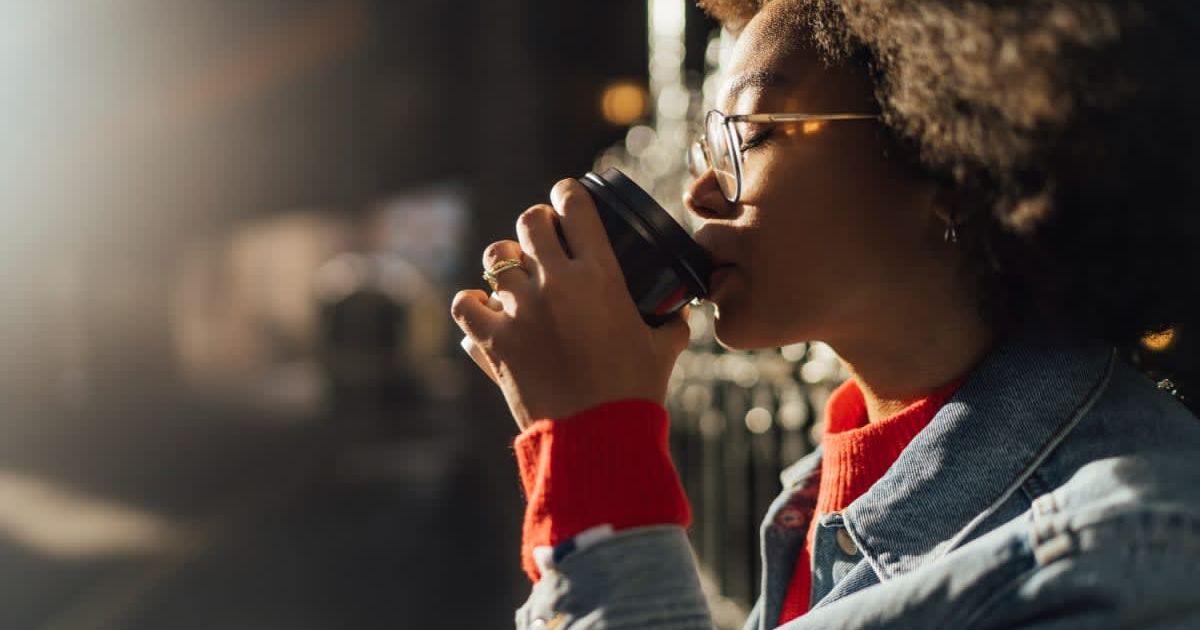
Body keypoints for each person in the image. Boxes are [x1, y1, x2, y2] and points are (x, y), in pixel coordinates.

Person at [451, 0, 1200, 627]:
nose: (701, 193)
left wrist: (598, 458)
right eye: (705, 146)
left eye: (748, 135)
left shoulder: (1128, 553)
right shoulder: (818, 500)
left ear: (943, 155)